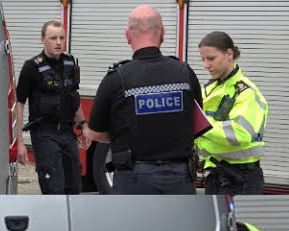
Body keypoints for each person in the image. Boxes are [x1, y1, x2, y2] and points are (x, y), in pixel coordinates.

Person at [83, 5, 204, 195]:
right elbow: (196, 122)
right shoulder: (185, 73)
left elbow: (95, 132)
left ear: (128, 36)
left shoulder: (116, 79)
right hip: (179, 179)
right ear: (163, 33)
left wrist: (126, 134)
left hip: (133, 180)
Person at [14, 20, 89, 195]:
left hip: (68, 133)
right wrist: (19, 142)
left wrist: (84, 125)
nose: (58, 42)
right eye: (53, 38)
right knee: (54, 188)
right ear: (42, 40)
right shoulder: (32, 67)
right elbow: (18, 105)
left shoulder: (70, 62)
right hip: (44, 134)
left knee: (74, 187)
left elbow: (73, 97)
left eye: (61, 38)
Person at [195, 32, 268, 195]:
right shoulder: (210, 89)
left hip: (240, 179)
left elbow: (240, 133)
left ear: (229, 54)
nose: (206, 65)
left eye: (211, 58)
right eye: (203, 59)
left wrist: (200, 126)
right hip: (216, 175)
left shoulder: (247, 93)